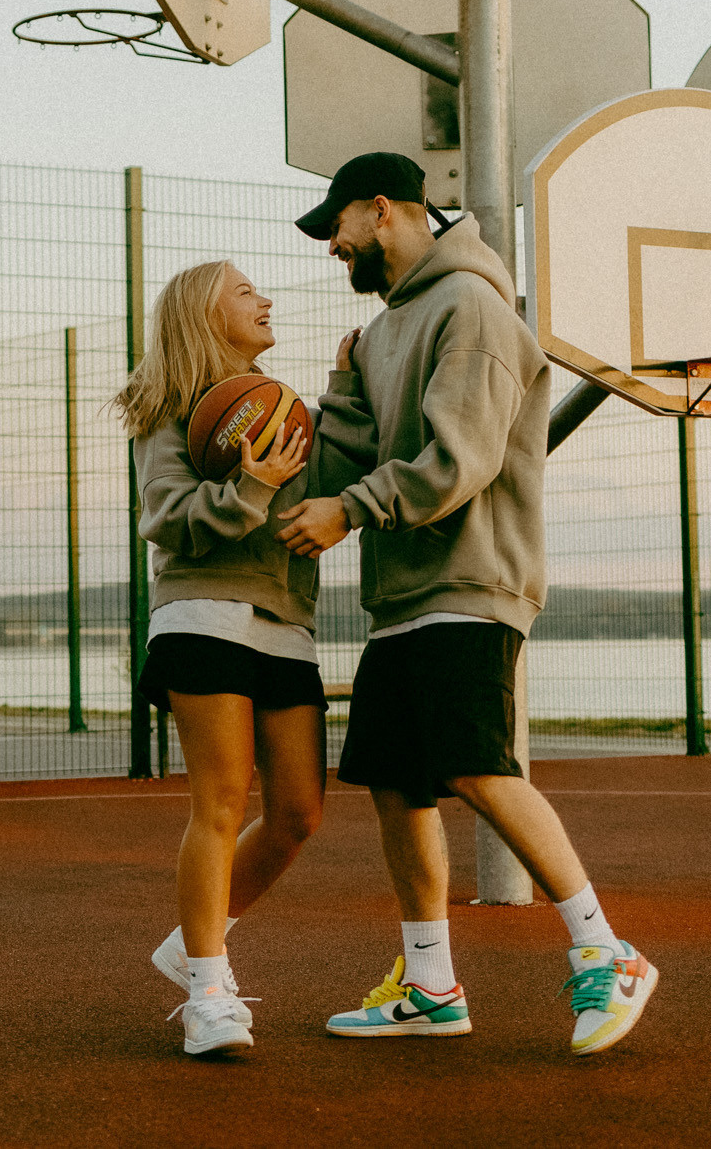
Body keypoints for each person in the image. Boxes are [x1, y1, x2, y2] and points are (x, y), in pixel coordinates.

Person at [275, 152, 660, 1057]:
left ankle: (607, 950)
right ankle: (431, 984)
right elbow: (348, 461)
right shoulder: (382, 333)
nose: (331, 245)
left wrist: (351, 510)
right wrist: (339, 391)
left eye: (338, 225)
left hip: (473, 581)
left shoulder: (474, 308)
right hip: (403, 595)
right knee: (397, 785)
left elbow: (461, 459)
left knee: (478, 766)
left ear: (383, 209)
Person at [114, 258, 330, 1057]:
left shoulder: (277, 404)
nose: (264, 299)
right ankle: (208, 992)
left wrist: (348, 388)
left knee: (299, 812)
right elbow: (166, 516)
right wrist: (249, 487)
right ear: (206, 314)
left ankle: (192, 941)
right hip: (201, 610)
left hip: (285, 617)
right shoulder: (171, 407)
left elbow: (335, 472)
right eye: (245, 292)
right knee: (221, 802)